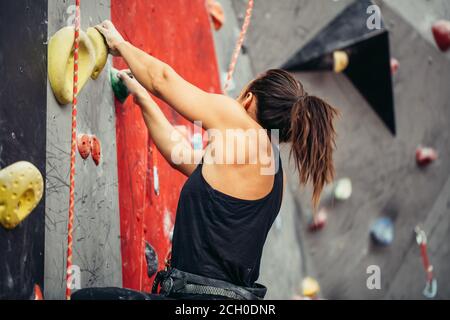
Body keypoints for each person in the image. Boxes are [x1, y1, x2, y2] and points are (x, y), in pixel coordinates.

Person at [72, 20, 339, 300]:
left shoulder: (245, 129)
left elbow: (162, 80)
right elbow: (181, 156)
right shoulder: (270, 173)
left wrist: (120, 45)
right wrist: (142, 97)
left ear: (248, 98)